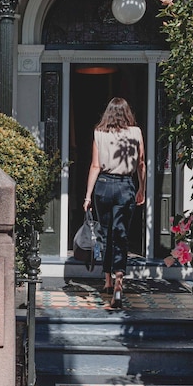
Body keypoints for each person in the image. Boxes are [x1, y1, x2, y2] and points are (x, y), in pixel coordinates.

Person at [82, 97, 145, 309]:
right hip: (126, 185)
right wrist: (141, 188)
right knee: (121, 235)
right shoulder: (135, 133)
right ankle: (118, 282)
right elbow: (141, 163)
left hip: (104, 186)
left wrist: (88, 196)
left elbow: (95, 166)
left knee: (107, 234)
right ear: (127, 113)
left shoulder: (99, 134)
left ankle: (107, 281)